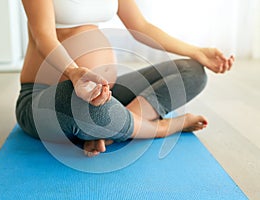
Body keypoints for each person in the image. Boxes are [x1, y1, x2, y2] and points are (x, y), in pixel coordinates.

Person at [16, 0, 235, 157]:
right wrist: (73, 71)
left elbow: (140, 26)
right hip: (46, 97)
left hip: (105, 93)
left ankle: (111, 129)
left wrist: (196, 52)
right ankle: (160, 128)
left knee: (192, 72)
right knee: (88, 108)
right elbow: (43, 36)